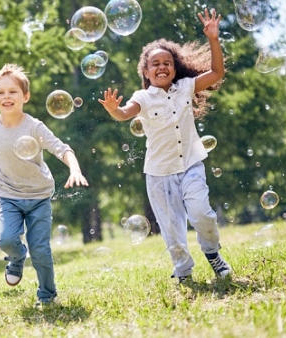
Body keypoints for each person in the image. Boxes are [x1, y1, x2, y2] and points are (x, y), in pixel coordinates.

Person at [98, 9, 232, 284]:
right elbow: (125, 113)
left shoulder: (185, 87)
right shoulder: (143, 97)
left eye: (167, 62)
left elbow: (217, 73)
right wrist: (114, 109)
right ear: (145, 71)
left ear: (175, 67)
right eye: (155, 63)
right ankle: (183, 271)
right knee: (172, 230)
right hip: (159, 174)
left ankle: (213, 254)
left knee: (202, 214)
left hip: (191, 164)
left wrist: (213, 39)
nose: (162, 67)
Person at [0, 63, 89, 307]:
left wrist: (75, 168)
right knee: (5, 239)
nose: (7, 96)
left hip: (38, 196)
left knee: (41, 251)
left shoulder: (34, 126)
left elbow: (62, 148)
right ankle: (17, 257)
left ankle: (47, 296)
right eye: (1, 92)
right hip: (9, 196)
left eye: (13, 91)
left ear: (25, 96)